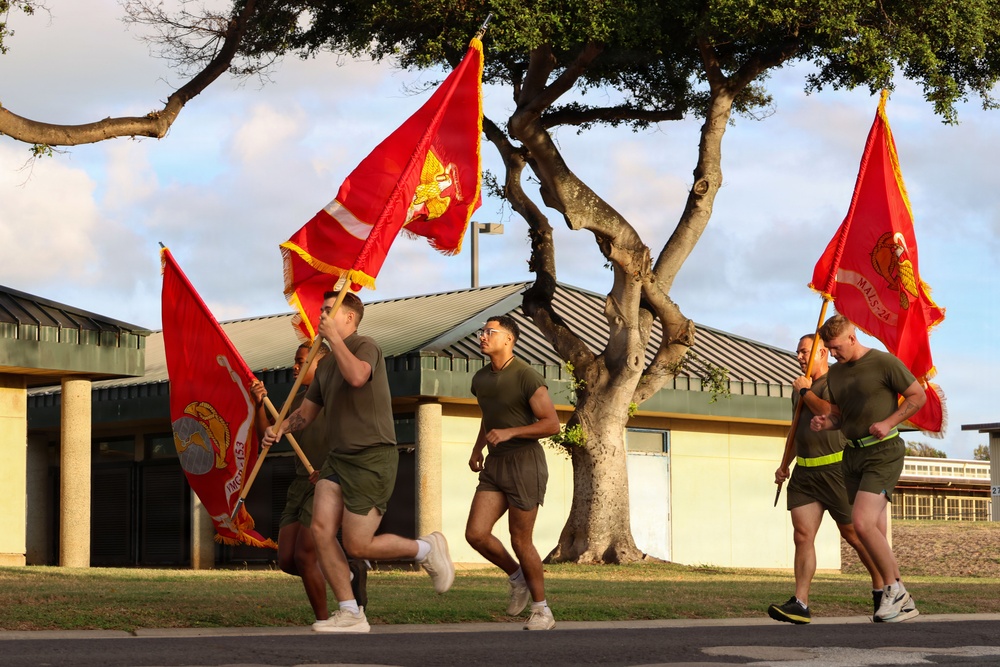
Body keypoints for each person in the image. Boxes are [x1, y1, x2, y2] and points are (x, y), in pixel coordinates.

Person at [263, 291, 454, 633]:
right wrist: (279, 429)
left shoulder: (366, 345)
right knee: (321, 531)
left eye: (328, 310)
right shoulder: (324, 367)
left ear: (349, 318)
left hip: (372, 455)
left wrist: (334, 340)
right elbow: (306, 413)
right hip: (338, 459)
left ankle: (426, 548)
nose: (320, 316)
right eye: (321, 310)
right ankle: (350, 611)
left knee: (357, 544)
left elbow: (357, 377)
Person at [810, 314, 926, 623]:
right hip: (852, 455)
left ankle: (895, 591)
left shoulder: (884, 362)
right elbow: (840, 416)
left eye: (836, 347)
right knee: (874, 529)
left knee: (861, 524)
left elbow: (918, 396)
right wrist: (825, 422)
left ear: (852, 338)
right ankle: (901, 597)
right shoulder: (835, 374)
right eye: (829, 349)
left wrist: (888, 422)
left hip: (883, 451)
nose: (833, 354)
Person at [769, 334, 883, 624]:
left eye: (804, 351)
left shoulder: (836, 381)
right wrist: (784, 465)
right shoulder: (800, 389)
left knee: (854, 535)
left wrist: (806, 392)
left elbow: (829, 412)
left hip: (837, 470)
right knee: (802, 536)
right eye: (797, 352)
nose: (799, 357)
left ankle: (884, 588)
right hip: (805, 473)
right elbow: (796, 431)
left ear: (822, 353)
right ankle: (800, 603)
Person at [251, 342, 368, 624]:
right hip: (300, 483)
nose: (295, 366)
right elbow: (266, 435)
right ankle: (348, 573)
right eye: (295, 360)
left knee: (305, 556)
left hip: (328, 481)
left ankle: (325, 620)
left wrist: (330, 472)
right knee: (287, 560)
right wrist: (259, 404)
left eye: (302, 361)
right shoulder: (295, 402)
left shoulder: (338, 397)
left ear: (322, 364)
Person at [464, 315, 561, 631]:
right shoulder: (481, 379)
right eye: (482, 331)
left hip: (525, 464)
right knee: (476, 533)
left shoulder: (526, 376)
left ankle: (542, 610)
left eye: (490, 332)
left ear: (508, 338)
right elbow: (489, 417)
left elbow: (552, 423)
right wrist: (478, 448)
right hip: (495, 464)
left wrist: (510, 432)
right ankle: (517, 577)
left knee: (520, 540)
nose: (483, 336)